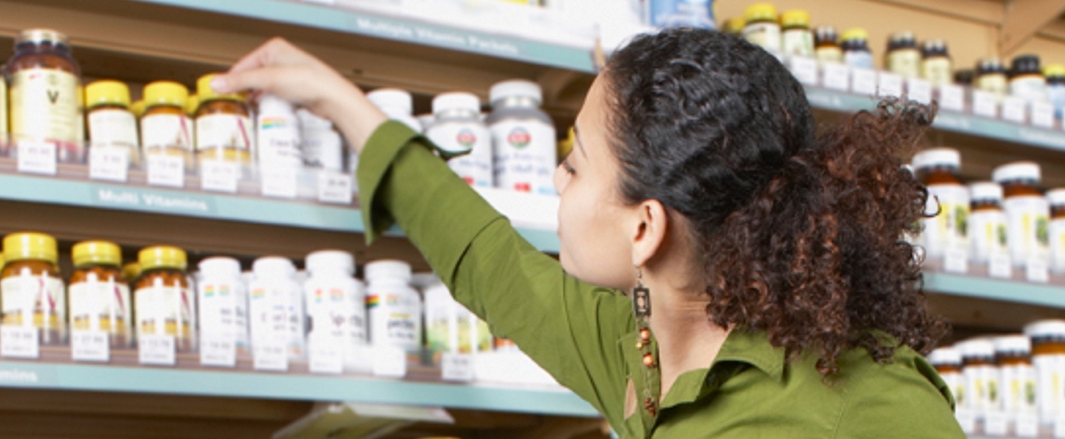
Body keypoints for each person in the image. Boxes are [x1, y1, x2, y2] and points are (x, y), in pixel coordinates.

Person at [212, 28, 961, 437]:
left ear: (645, 227)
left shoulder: (866, 410)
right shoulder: (645, 347)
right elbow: (490, 262)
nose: (557, 178)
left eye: (573, 164)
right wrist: (338, 100)